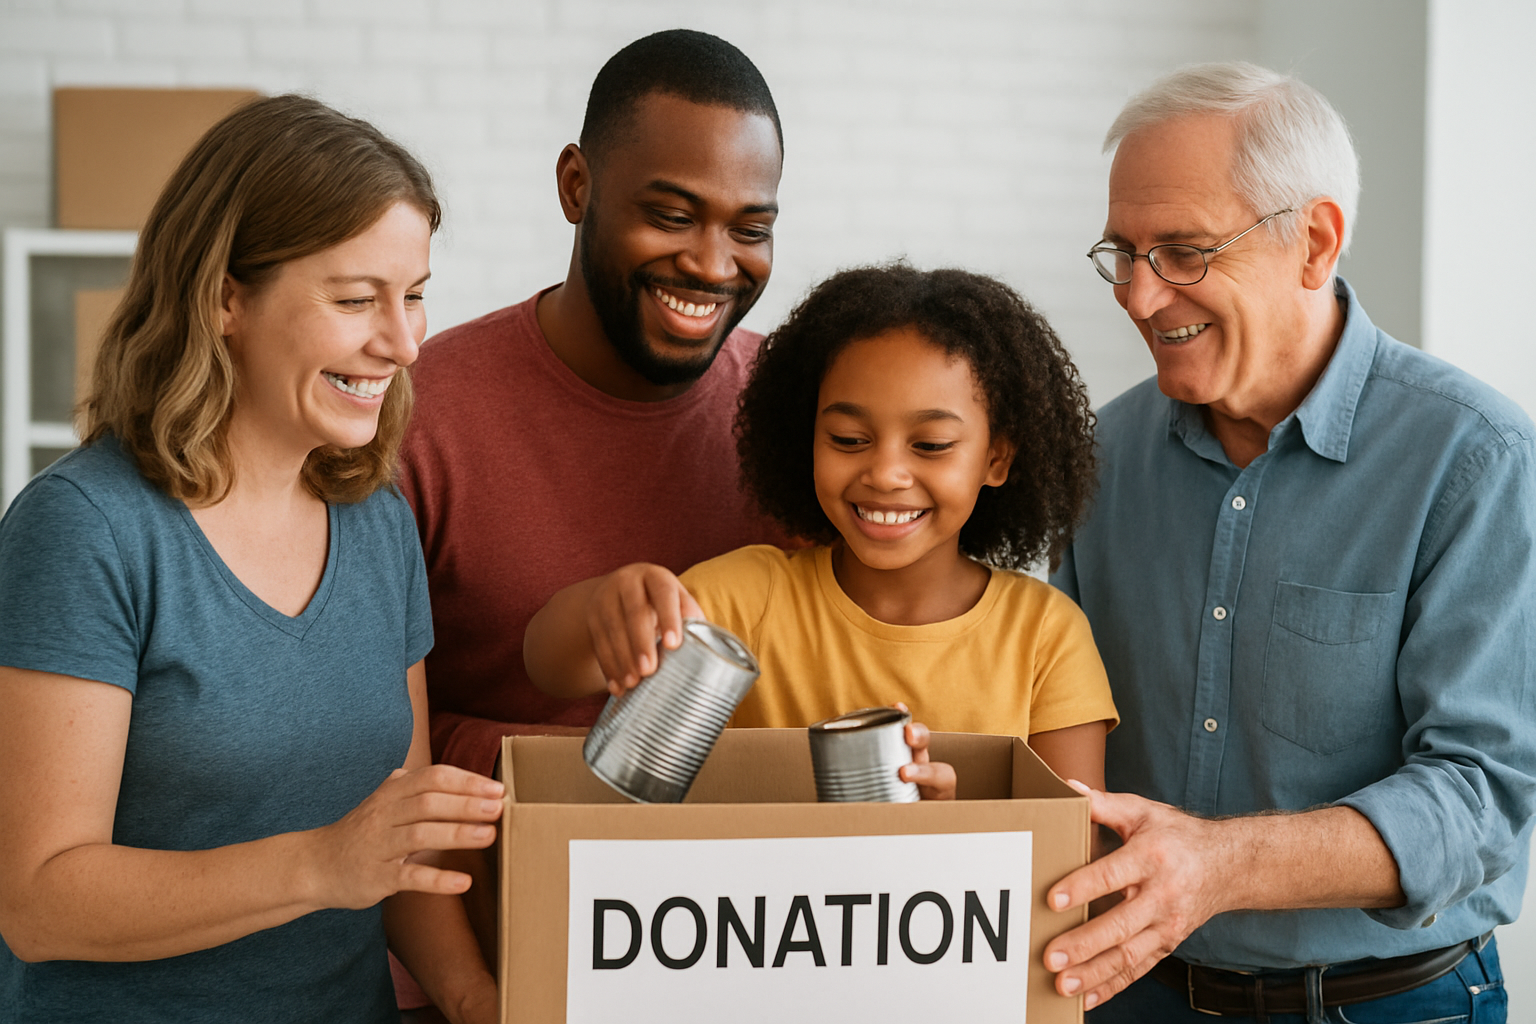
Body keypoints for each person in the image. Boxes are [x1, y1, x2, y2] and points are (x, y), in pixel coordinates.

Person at [1042, 62, 1534, 1022]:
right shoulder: (1098, 457)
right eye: (1123, 253)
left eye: (1183, 252)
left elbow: (1481, 800)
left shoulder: (1475, 459)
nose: (1139, 298)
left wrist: (1220, 866)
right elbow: (1057, 715)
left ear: (1315, 241)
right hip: (1136, 992)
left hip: (1392, 1003)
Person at [0, 95, 504, 1024]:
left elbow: (399, 843)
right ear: (225, 297)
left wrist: (479, 1001)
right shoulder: (85, 530)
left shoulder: (379, 524)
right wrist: (321, 862)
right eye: (355, 299)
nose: (402, 340)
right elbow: (38, 899)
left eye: (416, 293)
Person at [524, 265, 1119, 797]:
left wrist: (952, 841)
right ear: (804, 437)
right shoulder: (748, 598)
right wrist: (605, 607)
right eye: (848, 440)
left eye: (931, 445)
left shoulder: (1045, 636)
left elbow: (1075, 858)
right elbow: (548, 666)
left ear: (997, 459)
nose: (885, 474)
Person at [397, 28, 786, 783]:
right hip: (489, 877)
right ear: (577, 186)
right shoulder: (423, 414)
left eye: (750, 230)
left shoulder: (806, 416)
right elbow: (368, 742)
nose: (712, 265)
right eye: (672, 217)